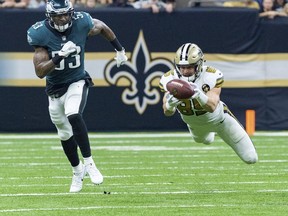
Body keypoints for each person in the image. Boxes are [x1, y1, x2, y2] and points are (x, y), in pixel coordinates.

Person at [27, 0, 128, 192]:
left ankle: (89, 163)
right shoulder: (39, 33)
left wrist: (119, 49)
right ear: (50, 16)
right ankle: (77, 170)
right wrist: (59, 56)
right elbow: (40, 72)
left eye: (66, 14)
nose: (63, 18)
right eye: (59, 15)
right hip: (55, 88)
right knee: (64, 133)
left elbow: (102, 27)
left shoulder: (82, 22)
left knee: (73, 113)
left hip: (77, 79)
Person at [159, 43, 258, 165]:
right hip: (194, 124)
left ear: (199, 64)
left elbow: (211, 107)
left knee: (251, 158)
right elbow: (167, 112)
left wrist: (198, 94)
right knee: (202, 140)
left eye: (190, 67)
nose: (185, 71)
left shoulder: (211, 75)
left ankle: (215, 131)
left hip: (220, 120)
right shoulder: (169, 79)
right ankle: (209, 134)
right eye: (182, 67)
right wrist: (170, 105)